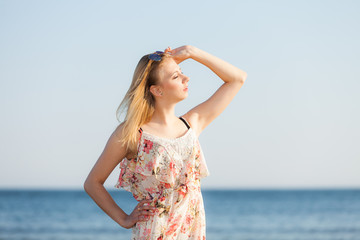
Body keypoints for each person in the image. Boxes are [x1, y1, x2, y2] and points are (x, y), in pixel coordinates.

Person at [84, 45, 247, 239]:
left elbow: (237, 79)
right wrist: (124, 219)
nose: (186, 78)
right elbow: (93, 183)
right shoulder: (131, 134)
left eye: (182, 73)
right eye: (176, 77)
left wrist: (191, 52)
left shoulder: (191, 124)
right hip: (155, 232)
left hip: (192, 232)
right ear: (157, 90)